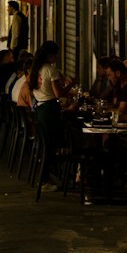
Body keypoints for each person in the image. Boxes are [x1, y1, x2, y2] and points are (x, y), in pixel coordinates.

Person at [29, 41, 73, 188]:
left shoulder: (36, 69)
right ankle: (47, 179)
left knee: (46, 144)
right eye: (55, 54)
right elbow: (58, 93)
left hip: (40, 108)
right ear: (50, 55)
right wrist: (71, 85)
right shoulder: (50, 70)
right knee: (51, 145)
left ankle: (46, 177)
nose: (57, 57)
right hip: (50, 110)